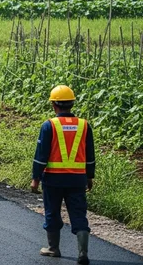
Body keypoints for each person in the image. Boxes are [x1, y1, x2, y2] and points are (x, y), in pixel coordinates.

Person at [31, 85, 95, 265]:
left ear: (54, 105)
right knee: (78, 214)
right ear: (72, 103)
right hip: (77, 179)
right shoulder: (84, 125)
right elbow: (90, 154)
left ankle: (53, 248)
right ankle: (82, 252)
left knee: (52, 212)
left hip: (53, 179)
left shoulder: (49, 125)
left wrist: (35, 178)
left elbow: (41, 155)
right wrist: (89, 176)